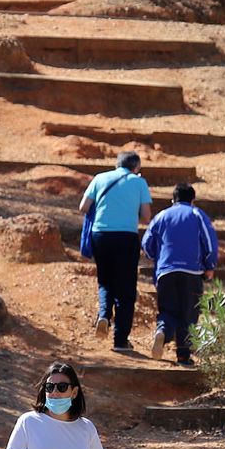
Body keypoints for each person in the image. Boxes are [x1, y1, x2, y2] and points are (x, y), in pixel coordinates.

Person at [78, 151, 152, 354]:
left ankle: (103, 314)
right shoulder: (139, 183)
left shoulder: (100, 178)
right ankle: (120, 340)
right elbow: (146, 217)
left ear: (116, 164)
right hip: (126, 237)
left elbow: (83, 206)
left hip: (100, 235)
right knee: (126, 289)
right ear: (136, 167)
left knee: (105, 280)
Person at [140, 182, 218, 365]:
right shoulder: (197, 214)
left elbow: (146, 242)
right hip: (192, 271)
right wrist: (210, 265)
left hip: (166, 271)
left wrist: (157, 258)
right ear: (193, 200)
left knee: (168, 308)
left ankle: (163, 331)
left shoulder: (162, 215)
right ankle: (183, 355)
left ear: (172, 199)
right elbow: (209, 242)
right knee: (188, 313)